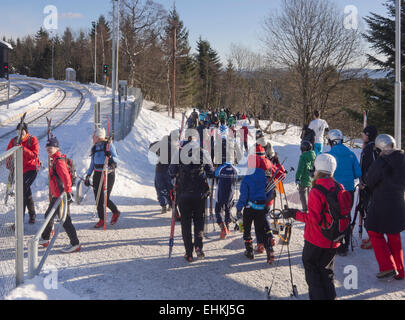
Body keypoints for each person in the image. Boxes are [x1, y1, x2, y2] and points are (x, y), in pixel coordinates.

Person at [281, 153, 342, 300]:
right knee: (326, 272)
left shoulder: (317, 190)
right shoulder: (339, 187)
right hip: (334, 239)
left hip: (316, 240)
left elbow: (313, 219)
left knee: (313, 273)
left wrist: (294, 214)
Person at [169, 134, 215, 262]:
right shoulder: (203, 152)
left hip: (183, 194)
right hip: (199, 194)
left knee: (186, 223)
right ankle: (199, 247)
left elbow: (171, 172)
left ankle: (189, 252)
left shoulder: (179, 153)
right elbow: (211, 172)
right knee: (199, 221)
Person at [365, 134, 405, 280]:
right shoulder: (402, 159)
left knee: (374, 232)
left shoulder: (381, 162)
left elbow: (370, 181)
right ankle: (400, 271)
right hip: (399, 202)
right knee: (394, 236)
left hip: (382, 203)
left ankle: (388, 266)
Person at [39, 137, 81, 253]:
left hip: (61, 197)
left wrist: (67, 193)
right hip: (57, 196)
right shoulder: (55, 159)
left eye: (51, 147)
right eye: (47, 147)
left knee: (65, 220)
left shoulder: (59, 161)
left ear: (57, 148)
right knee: (49, 215)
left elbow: (66, 178)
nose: (48, 149)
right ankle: (45, 238)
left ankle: (75, 243)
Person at [236, 144, 275, 265]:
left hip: (249, 207)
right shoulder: (264, 176)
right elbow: (269, 192)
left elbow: (243, 196)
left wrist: (238, 208)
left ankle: (249, 251)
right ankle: (269, 250)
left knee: (247, 229)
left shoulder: (247, 178)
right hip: (261, 207)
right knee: (261, 229)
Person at [327, 129, 361, 256]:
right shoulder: (351, 154)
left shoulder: (330, 155)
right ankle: (345, 244)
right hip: (349, 191)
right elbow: (358, 173)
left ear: (331, 141)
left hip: (334, 190)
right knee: (346, 215)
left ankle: (337, 242)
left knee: (335, 216)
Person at [85, 128, 120, 228]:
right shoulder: (94, 148)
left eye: (94, 136)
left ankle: (115, 212)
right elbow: (92, 163)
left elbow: (117, 159)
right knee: (97, 198)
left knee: (104, 198)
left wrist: (111, 158)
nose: (92, 138)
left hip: (108, 174)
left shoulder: (109, 146)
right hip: (97, 174)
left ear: (99, 137)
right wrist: (88, 175)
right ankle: (101, 219)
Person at [6, 122, 40, 224]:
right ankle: (32, 214)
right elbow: (8, 154)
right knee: (26, 192)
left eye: (22, 132)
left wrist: (22, 148)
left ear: (26, 131)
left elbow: (34, 155)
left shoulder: (32, 140)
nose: (20, 134)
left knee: (22, 191)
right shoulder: (14, 141)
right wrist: (9, 165)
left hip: (31, 169)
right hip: (19, 170)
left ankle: (19, 221)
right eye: (18, 132)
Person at [357, 126, 379, 250]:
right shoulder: (372, 147)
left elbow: (370, 168)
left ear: (369, 135)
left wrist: (365, 183)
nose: (362, 135)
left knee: (368, 213)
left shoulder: (370, 148)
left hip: (369, 187)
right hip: (371, 186)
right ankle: (372, 238)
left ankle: (374, 240)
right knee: (368, 212)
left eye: (364, 133)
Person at [214, 139, 238, 239]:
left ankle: (222, 226)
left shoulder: (220, 169)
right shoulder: (235, 169)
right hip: (230, 192)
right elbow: (236, 179)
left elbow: (215, 175)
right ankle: (227, 225)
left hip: (220, 192)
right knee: (228, 208)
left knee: (218, 209)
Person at [150, 135, 173, 214]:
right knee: (170, 189)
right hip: (169, 171)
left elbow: (151, 146)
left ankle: (163, 205)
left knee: (160, 188)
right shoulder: (175, 147)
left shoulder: (162, 145)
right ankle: (171, 204)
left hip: (160, 170)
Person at [295, 141, 316, 211]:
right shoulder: (313, 155)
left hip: (304, 178)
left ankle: (305, 208)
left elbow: (300, 169)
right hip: (311, 177)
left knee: (302, 192)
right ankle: (311, 208)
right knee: (310, 194)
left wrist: (297, 178)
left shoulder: (303, 157)